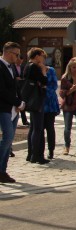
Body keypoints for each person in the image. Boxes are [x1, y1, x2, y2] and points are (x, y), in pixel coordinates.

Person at [0, 42, 25, 183]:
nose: (18, 57)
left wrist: (20, 102)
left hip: (13, 109)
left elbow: (16, 87)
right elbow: (1, 91)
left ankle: (2, 171)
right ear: (8, 53)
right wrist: (17, 102)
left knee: (9, 141)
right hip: (3, 107)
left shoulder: (12, 67)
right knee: (8, 138)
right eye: (16, 54)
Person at [24, 48, 49, 164]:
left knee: (33, 127)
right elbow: (44, 81)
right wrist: (43, 71)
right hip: (37, 99)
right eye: (42, 56)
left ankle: (30, 154)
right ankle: (37, 155)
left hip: (30, 98)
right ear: (37, 56)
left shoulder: (27, 66)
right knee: (38, 128)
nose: (43, 59)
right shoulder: (34, 67)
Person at [59, 58, 76, 159]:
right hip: (68, 104)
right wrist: (71, 90)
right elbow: (62, 94)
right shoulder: (65, 78)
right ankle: (67, 146)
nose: (75, 69)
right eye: (73, 67)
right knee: (67, 128)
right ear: (70, 68)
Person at [43, 63, 60, 159]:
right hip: (39, 103)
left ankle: (51, 150)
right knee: (39, 128)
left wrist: (45, 89)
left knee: (50, 127)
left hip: (50, 104)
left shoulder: (51, 70)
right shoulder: (35, 69)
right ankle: (38, 151)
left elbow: (54, 86)